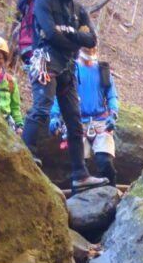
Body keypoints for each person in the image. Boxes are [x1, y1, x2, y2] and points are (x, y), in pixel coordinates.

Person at [20, 0, 108, 191]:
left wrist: (68, 34)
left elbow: (92, 39)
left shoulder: (78, 8)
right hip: (46, 61)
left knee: (75, 121)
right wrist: (75, 39)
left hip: (67, 67)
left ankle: (80, 174)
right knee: (42, 107)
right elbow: (50, 33)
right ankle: (26, 153)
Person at [49, 43, 119, 185]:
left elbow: (112, 95)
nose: (90, 51)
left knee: (105, 161)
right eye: (87, 48)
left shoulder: (103, 71)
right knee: (80, 164)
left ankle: (112, 191)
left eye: (92, 48)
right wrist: (55, 116)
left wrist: (113, 114)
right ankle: (79, 198)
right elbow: (60, 95)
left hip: (101, 121)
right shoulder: (70, 70)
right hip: (77, 122)